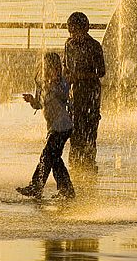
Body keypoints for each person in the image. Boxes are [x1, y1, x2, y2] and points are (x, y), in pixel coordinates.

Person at [17, 52, 75, 200]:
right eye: (46, 67)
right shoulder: (41, 83)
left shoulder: (62, 82)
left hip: (63, 126)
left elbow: (65, 96)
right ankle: (66, 190)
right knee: (54, 159)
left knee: (46, 156)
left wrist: (55, 83)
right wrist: (31, 100)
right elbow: (39, 104)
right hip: (53, 127)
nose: (48, 70)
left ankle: (36, 186)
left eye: (51, 67)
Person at [63, 12, 105, 174]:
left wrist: (80, 76)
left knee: (89, 128)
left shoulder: (94, 46)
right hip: (75, 93)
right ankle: (75, 165)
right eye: (70, 31)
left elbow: (101, 71)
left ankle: (88, 163)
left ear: (85, 29)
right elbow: (65, 64)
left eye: (75, 31)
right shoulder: (69, 44)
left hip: (90, 93)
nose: (73, 35)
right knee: (74, 129)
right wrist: (66, 76)